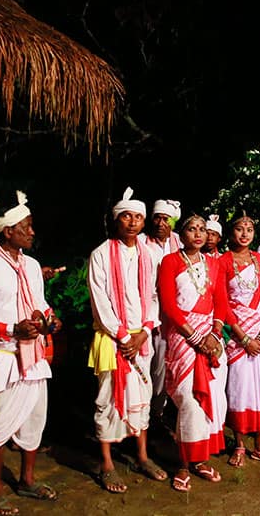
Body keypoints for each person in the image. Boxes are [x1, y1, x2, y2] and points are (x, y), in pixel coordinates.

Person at [0, 190, 59, 515]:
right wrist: (11, 329)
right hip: (4, 357)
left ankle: (27, 480)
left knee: (34, 422)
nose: (32, 232)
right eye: (26, 226)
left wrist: (49, 320)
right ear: (7, 231)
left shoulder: (31, 266)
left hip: (34, 358)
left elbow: (39, 305)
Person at [86, 187, 168, 494]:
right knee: (107, 399)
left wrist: (145, 331)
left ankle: (142, 455)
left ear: (143, 221)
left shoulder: (151, 255)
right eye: (126, 217)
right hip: (112, 339)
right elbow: (100, 301)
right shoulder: (100, 254)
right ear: (116, 220)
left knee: (143, 397)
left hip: (142, 338)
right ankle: (107, 462)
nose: (132, 222)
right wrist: (123, 335)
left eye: (137, 217)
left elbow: (155, 296)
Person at [157, 213, 230, 492]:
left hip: (210, 338)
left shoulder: (214, 264)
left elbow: (221, 301)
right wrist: (196, 336)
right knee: (188, 399)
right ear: (181, 233)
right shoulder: (170, 262)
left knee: (209, 398)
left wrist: (214, 333)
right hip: (182, 336)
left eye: (202, 229)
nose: (198, 234)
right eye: (191, 229)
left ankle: (200, 459)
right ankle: (183, 464)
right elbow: (168, 304)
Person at [219, 211, 260, 467]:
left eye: (249, 228)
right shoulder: (223, 261)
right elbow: (222, 303)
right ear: (231, 232)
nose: (245, 233)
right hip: (238, 336)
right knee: (238, 388)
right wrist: (243, 338)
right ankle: (238, 444)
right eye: (239, 228)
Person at [140, 198, 182, 428]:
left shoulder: (179, 242)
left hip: (174, 314)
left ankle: (161, 413)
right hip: (148, 312)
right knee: (151, 365)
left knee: (168, 366)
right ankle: (147, 415)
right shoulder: (140, 242)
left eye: (166, 219)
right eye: (157, 217)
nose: (160, 223)